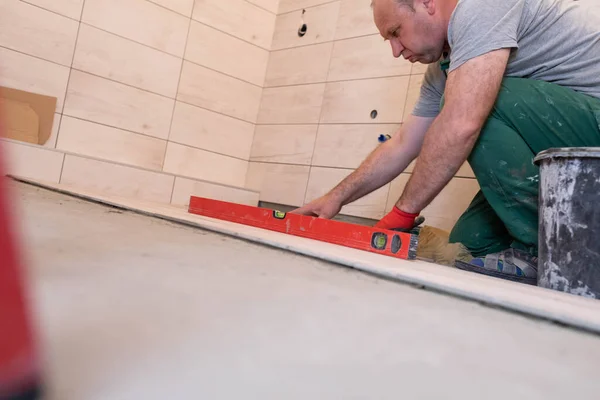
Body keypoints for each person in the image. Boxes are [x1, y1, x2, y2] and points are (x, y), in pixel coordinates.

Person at [293, 0, 600, 284]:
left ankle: (556, 251)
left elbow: (462, 123)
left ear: (427, 2)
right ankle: (548, 241)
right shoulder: (446, 68)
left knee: (474, 107)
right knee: (469, 246)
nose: (396, 50)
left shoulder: (480, 6)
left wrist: (402, 213)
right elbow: (402, 145)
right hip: (570, 153)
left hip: (591, 137)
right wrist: (336, 197)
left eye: (396, 33)